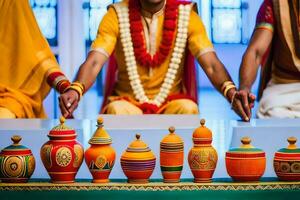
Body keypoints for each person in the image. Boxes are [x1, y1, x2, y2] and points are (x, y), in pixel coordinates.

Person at [60, 0, 249, 120]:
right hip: (128, 103)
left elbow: (212, 65)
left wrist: (231, 93)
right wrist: (76, 88)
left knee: (188, 108)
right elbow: (95, 61)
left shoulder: (187, 15)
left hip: (171, 103)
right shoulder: (116, 15)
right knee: (117, 111)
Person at [0, 0, 71, 118]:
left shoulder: (13, 3)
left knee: (4, 117)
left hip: (10, 97)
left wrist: (66, 87)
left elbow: (40, 55)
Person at [239, 0, 300, 118]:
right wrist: (244, 88)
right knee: (271, 113)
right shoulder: (275, 4)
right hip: (283, 87)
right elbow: (255, 52)